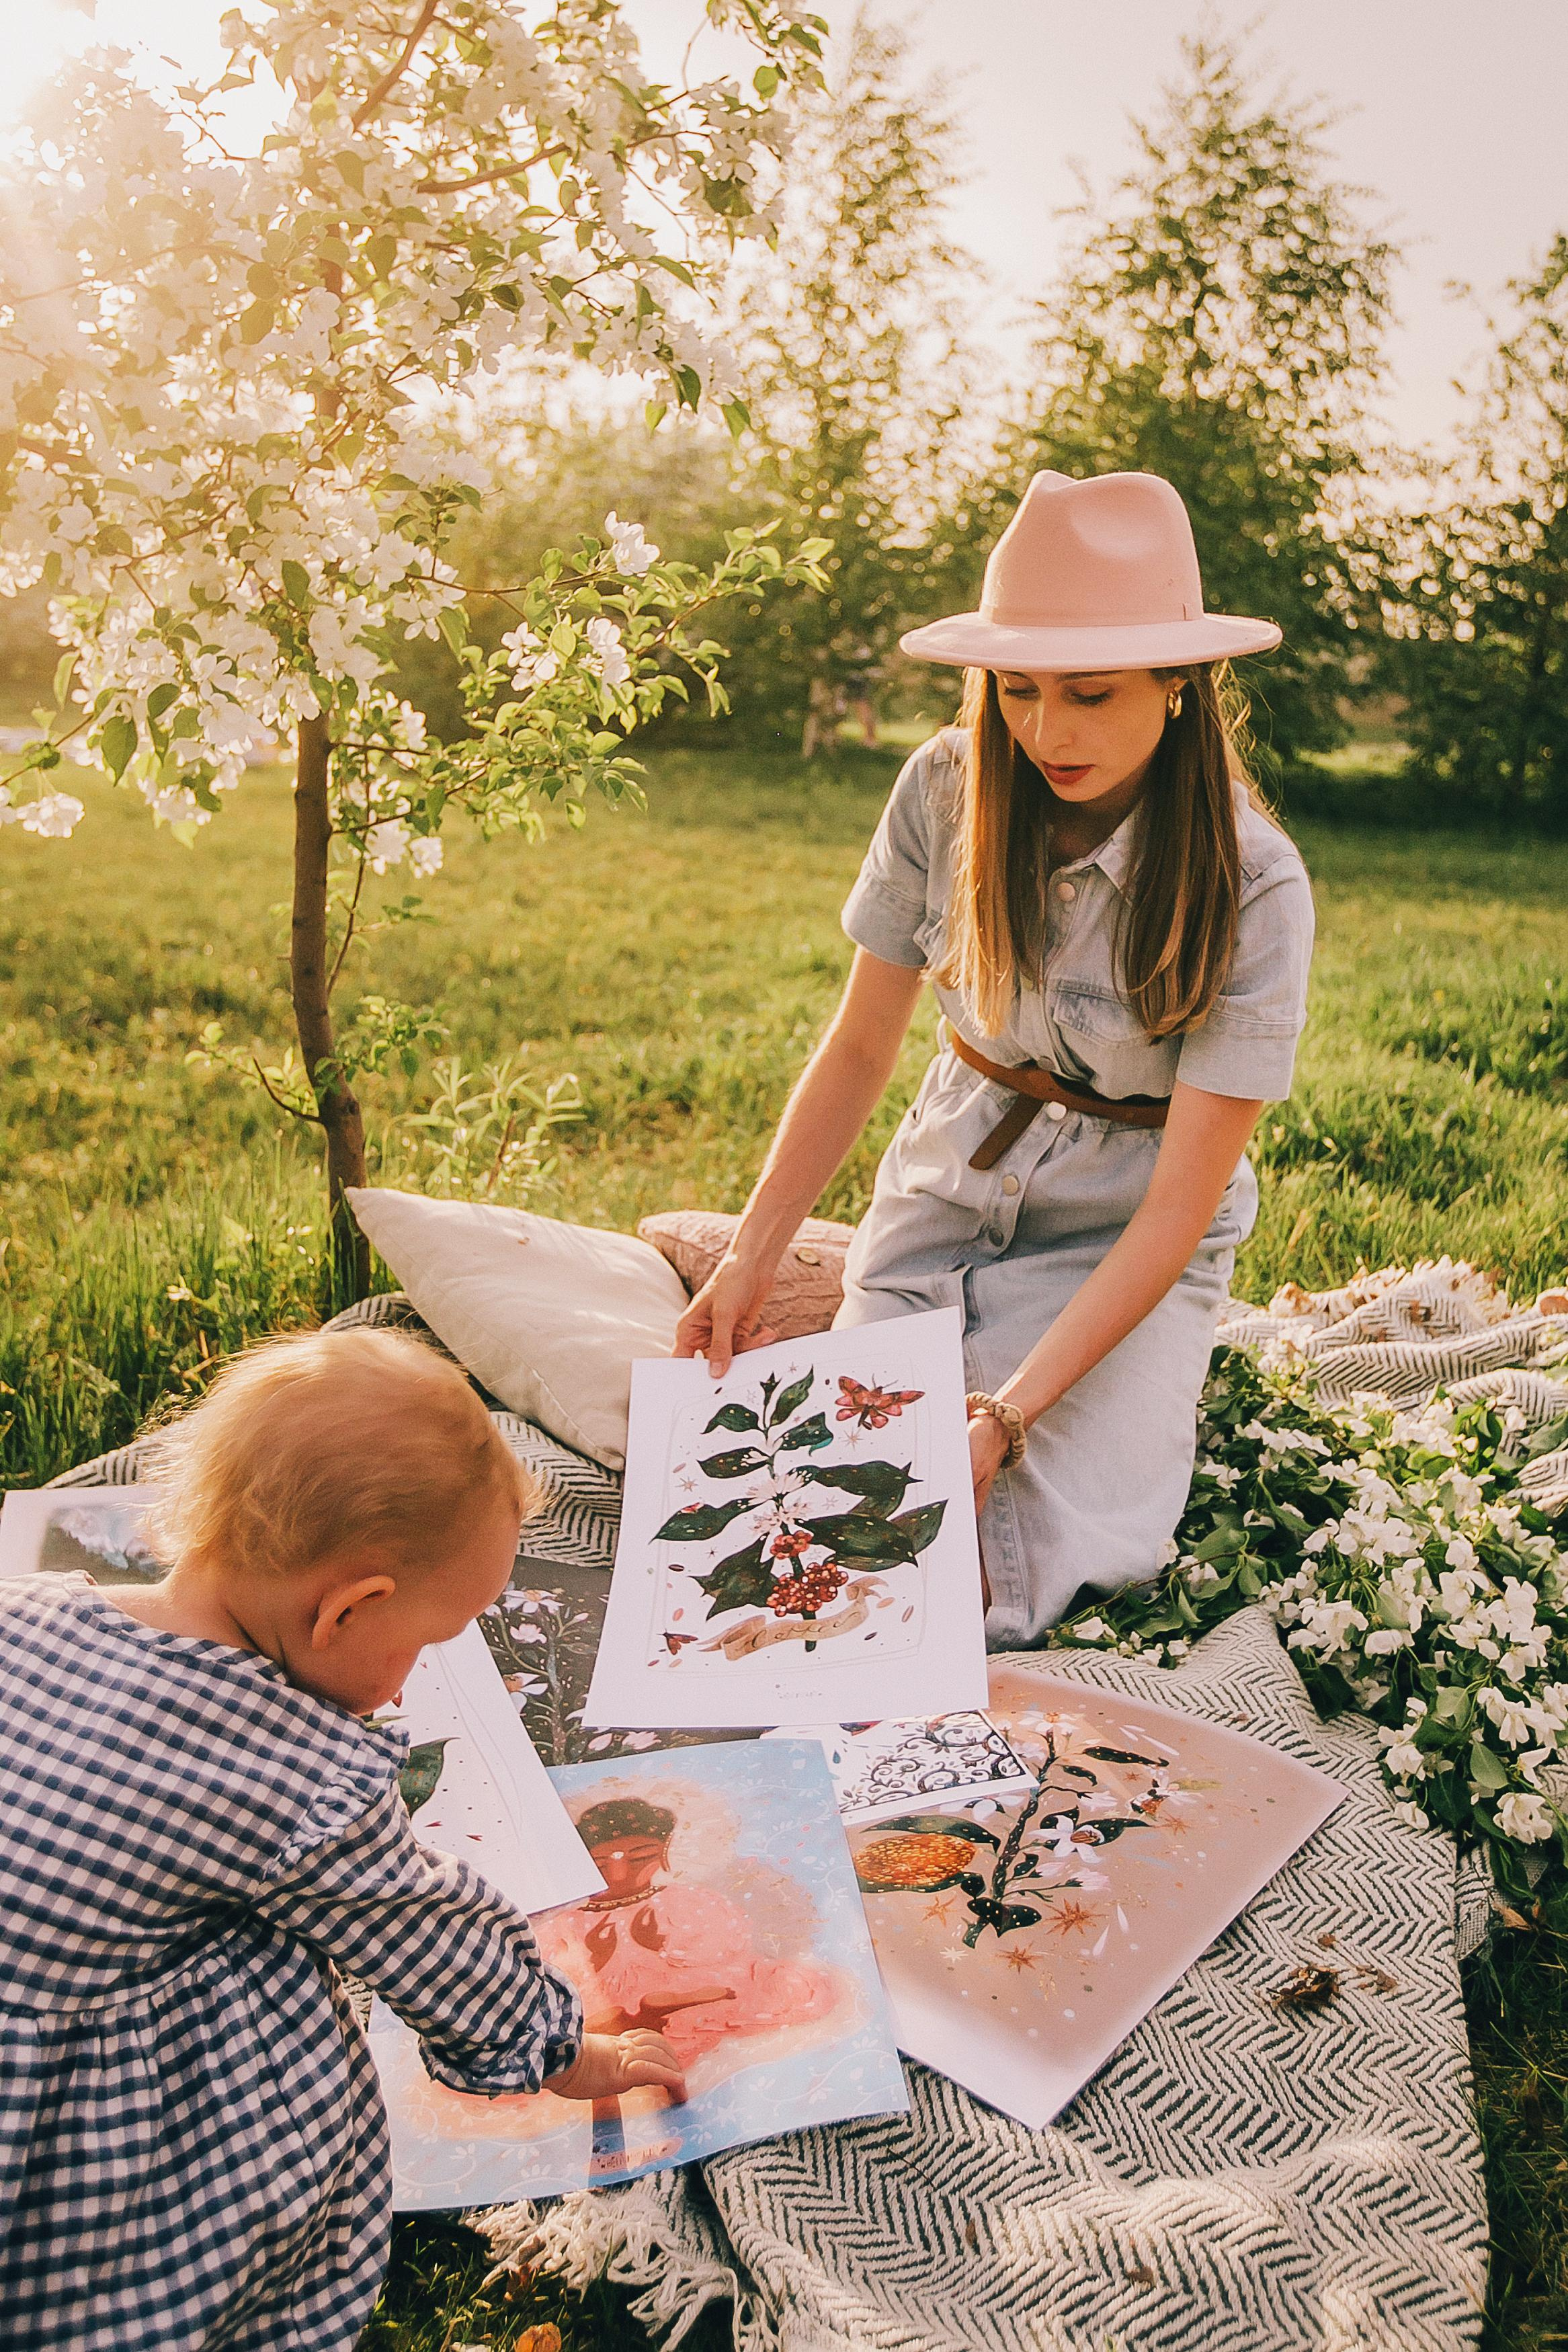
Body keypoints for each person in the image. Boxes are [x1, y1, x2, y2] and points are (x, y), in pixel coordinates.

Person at [676, 469, 1315, 1646]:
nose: (1044, 730)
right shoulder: (944, 784)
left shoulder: (1253, 881)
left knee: (1020, 1566)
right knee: (832, 1534)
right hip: (947, 1185)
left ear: (1178, 685)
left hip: (1121, 1231)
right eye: (1014, 689)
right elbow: (863, 1041)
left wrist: (1008, 1418)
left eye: (1088, 692)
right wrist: (751, 1260)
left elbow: (1178, 1207)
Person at [0, 1327, 684, 2352]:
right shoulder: (292, 1777)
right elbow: (437, 1942)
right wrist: (564, 2050)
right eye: (421, 1642)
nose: (411, 1680)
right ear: (348, 1608)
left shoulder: (27, 1613)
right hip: (95, 2182)